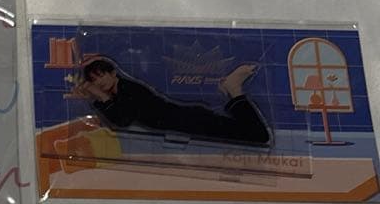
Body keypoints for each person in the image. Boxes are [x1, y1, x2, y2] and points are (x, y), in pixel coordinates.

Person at [73, 56, 271, 146]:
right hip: (187, 122)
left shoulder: (129, 90)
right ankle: (231, 89)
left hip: (191, 121)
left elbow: (122, 120)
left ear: (113, 73)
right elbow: (119, 117)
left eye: (101, 75)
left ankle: (233, 88)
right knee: (251, 134)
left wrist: (100, 97)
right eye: (94, 81)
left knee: (258, 136)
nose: (99, 83)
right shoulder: (121, 92)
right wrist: (98, 99)